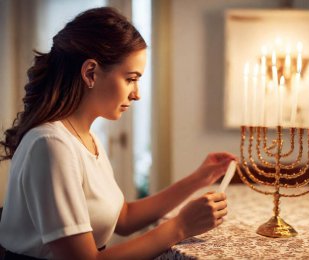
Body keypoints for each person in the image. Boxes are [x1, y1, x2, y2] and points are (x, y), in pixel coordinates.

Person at [0, 7, 236, 260]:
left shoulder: (85, 139)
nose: (137, 94)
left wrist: (200, 178)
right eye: (131, 79)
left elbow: (123, 217)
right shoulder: (51, 144)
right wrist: (180, 226)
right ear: (90, 72)